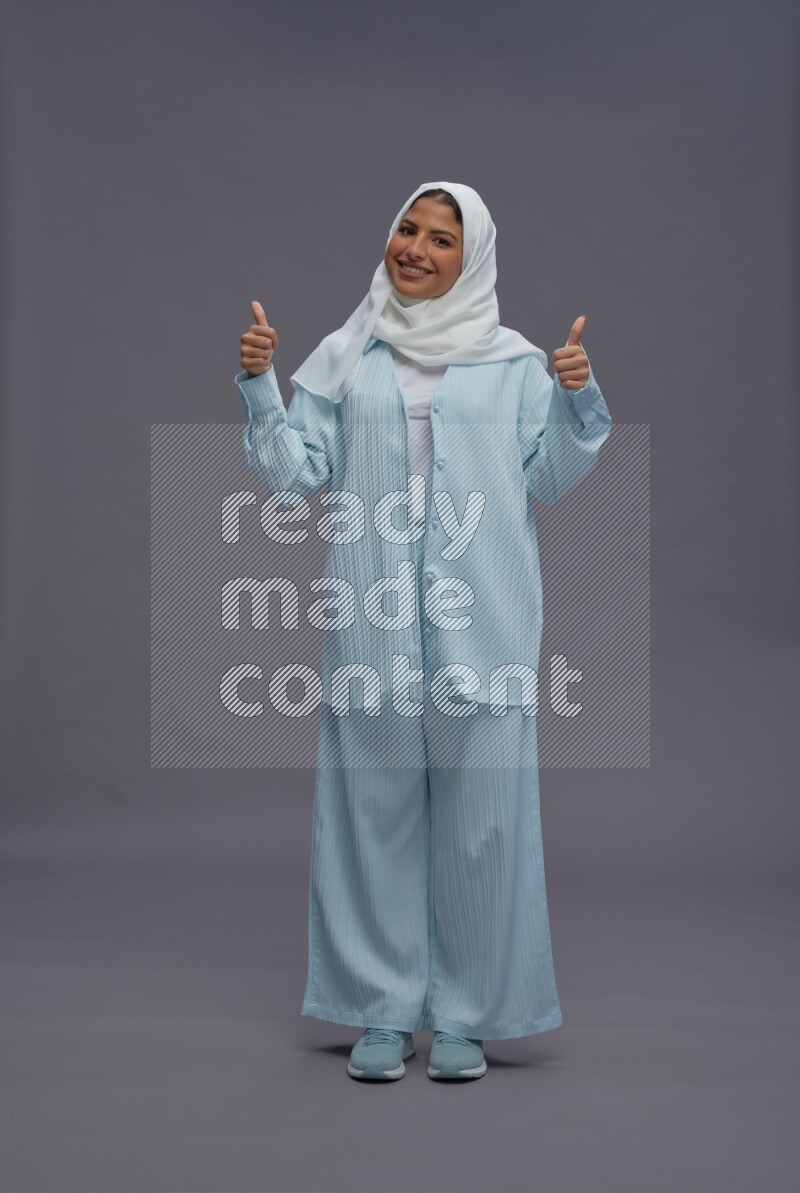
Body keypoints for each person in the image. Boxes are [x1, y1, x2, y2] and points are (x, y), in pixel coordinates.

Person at [235, 181, 612, 1082]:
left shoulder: (516, 364)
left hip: (484, 624)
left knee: (485, 823)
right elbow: (295, 477)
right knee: (372, 816)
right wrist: (259, 385)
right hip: (372, 629)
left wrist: (578, 397)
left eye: (442, 239)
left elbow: (552, 478)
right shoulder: (348, 356)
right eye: (408, 228)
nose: (417, 248)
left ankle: (468, 1016)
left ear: (471, 257)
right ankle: (380, 1007)